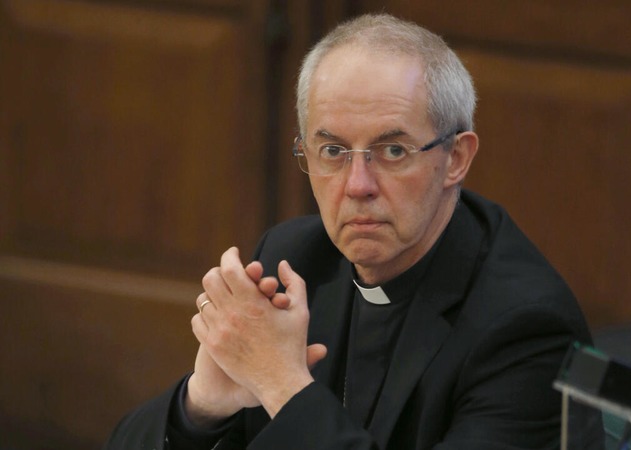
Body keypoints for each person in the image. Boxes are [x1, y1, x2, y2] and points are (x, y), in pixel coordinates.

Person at [104, 13, 603, 450]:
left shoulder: (525, 330)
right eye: (333, 152)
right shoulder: (292, 258)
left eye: (392, 151)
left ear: (455, 158)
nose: (357, 186)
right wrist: (202, 405)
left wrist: (283, 385)